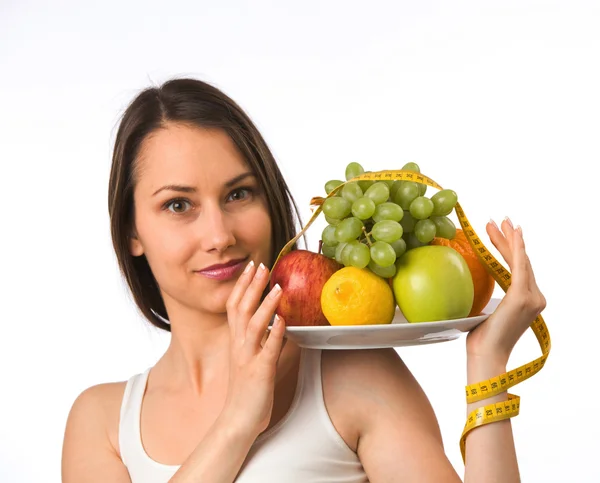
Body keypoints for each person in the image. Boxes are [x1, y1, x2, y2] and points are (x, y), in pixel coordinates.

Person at [61, 77, 546, 483]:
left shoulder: (354, 376)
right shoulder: (103, 423)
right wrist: (238, 422)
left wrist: (487, 364)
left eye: (238, 194)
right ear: (131, 231)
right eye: (178, 205)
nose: (219, 235)